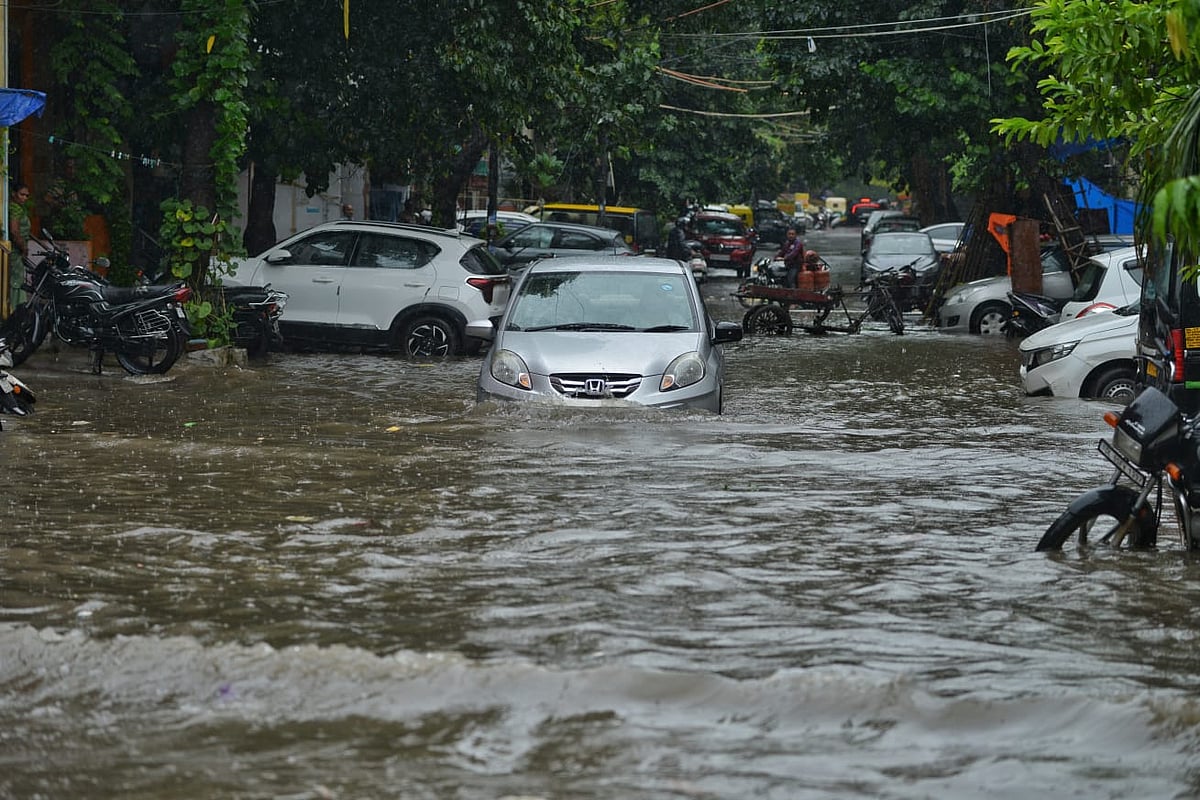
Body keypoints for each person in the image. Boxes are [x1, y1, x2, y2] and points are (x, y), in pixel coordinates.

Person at [8, 183, 32, 304]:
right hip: (16, 250)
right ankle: (15, 309)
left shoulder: (19, 208)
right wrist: (23, 248)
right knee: (16, 281)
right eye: (22, 194)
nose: (24, 198)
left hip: (18, 249)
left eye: (27, 196)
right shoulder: (15, 208)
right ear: (14, 194)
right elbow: (14, 231)